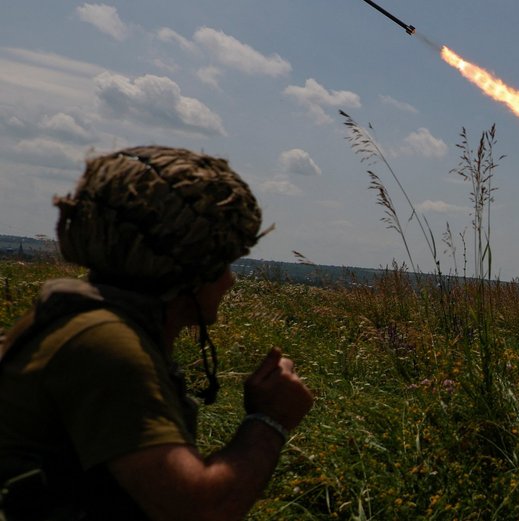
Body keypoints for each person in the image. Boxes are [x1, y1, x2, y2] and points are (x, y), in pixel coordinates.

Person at [0, 146, 314, 520]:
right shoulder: (106, 346)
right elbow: (198, 510)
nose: (229, 281)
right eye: (222, 264)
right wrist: (270, 420)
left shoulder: (87, 321)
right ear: (189, 273)